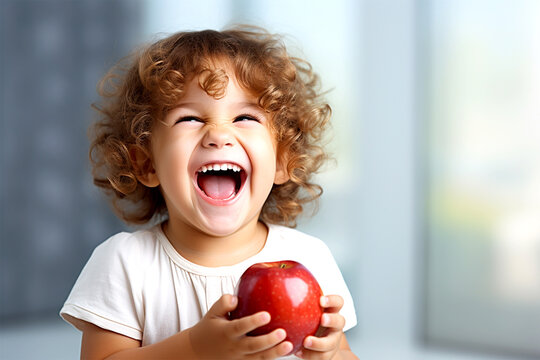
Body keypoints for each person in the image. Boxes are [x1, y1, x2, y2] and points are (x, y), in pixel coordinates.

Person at [60, 26, 358, 360]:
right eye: (188, 118)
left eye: (245, 117)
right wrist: (194, 348)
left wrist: (330, 354)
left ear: (283, 159)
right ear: (147, 164)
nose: (218, 135)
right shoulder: (124, 263)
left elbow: (346, 354)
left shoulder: (310, 259)